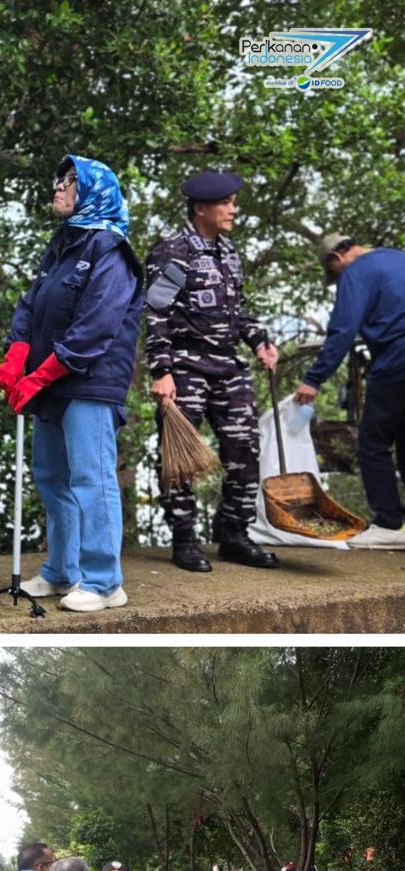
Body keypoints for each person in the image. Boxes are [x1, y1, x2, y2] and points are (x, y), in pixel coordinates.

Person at [0, 154, 143, 613]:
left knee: (91, 477)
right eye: (59, 179)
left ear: (95, 190)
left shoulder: (110, 249)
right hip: (50, 381)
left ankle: (104, 581)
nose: (59, 187)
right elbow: (30, 305)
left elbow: (96, 326)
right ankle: (63, 570)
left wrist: (40, 373)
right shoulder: (61, 245)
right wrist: (17, 353)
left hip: (89, 382)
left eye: (71, 181)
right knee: (51, 475)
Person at [145, 170, 280, 573]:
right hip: (185, 368)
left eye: (233, 202)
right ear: (201, 208)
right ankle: (184, 539)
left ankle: (235, 535)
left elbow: (238, 311)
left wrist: (259, 340)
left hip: (228, 367)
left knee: (245, 447)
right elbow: (156, 312)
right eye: (226, 203)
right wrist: (161, 369)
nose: (233, 210)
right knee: (180, 454)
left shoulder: (229, 252)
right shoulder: (174, 253)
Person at [293, 235, 405, 549]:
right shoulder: (398, 258)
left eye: (335, 273)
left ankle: (389, 525)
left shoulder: (356, 272)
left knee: (372, 441)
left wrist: (314, 379)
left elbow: (343, 329)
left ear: (337, 258)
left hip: (398, 358)